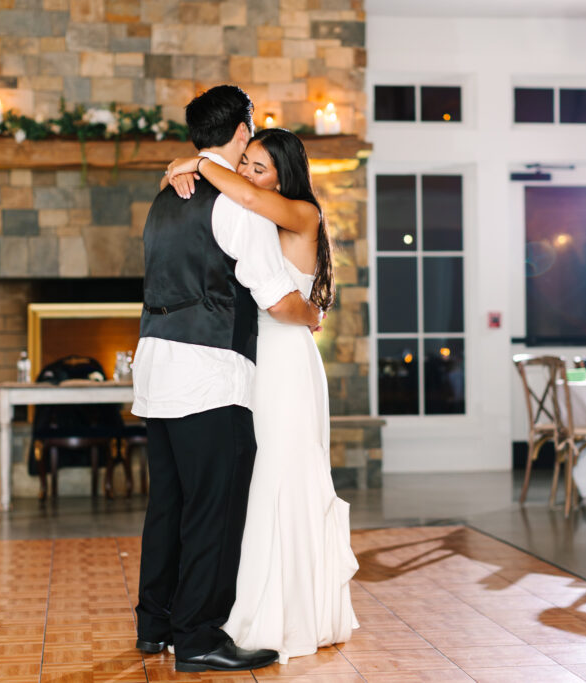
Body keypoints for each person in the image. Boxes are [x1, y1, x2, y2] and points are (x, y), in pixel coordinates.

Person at [131, 86, 322, 673]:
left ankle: (154, 624)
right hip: (210, 373)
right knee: (213, 508)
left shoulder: (166, 196)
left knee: (166, 503)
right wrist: (313, 312)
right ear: (243, 129)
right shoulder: (235, 205)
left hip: (154, 367)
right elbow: (275, 295)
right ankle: (197, 639)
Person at [162, 127, 359, 664]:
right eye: (244, 161)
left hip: (286, 361)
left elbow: (246, 199)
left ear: (284, 176)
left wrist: (199, 163)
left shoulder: (301, 213)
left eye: (259, 167)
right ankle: (242, 604)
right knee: (254, 481)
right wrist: (189, 170)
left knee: (281, 475)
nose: (247, 174)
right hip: (254, 359)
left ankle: (286, 614)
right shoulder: (255, 216)